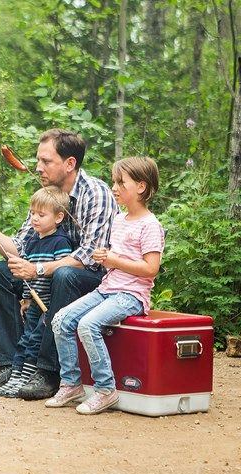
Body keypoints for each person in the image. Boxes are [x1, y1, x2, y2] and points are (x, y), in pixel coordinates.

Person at [0, 129, 117, 398]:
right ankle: (11, 364)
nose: (38, 167)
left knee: (64, 274)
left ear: (70, 164)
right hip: (49, 277)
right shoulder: (46, 196)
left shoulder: (96, 194)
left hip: (91, 282)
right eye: (37, 160)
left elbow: (90, 256)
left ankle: (47, 370)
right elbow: (17, 249)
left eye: (46, 161)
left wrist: (38, 270)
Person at [46, 156, 164, 414]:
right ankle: (71, 384)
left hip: (131, 295)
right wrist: (105, 257)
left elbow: (150, 269)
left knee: (88, 325)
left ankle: (105, 389)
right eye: (114, 181)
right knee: (61, 320)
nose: (114, 188)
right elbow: (115, 258)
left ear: (141, 187)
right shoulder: (119, 220)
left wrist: (114, 260)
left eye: (121, 182)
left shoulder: (150, 225)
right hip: (107, 289)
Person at [0, 186, 73, 397]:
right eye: (33, 213)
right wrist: (26, 299)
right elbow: (27, 276)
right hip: (35, 302)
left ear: (59, 217)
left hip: (49, 303)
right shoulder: (33, 241)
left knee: (36, 340)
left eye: (41, 215)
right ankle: (16, 378)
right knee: (26, 339)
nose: (34, 219)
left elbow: (60, 274)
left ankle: (27, 379)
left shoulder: (60, 242)